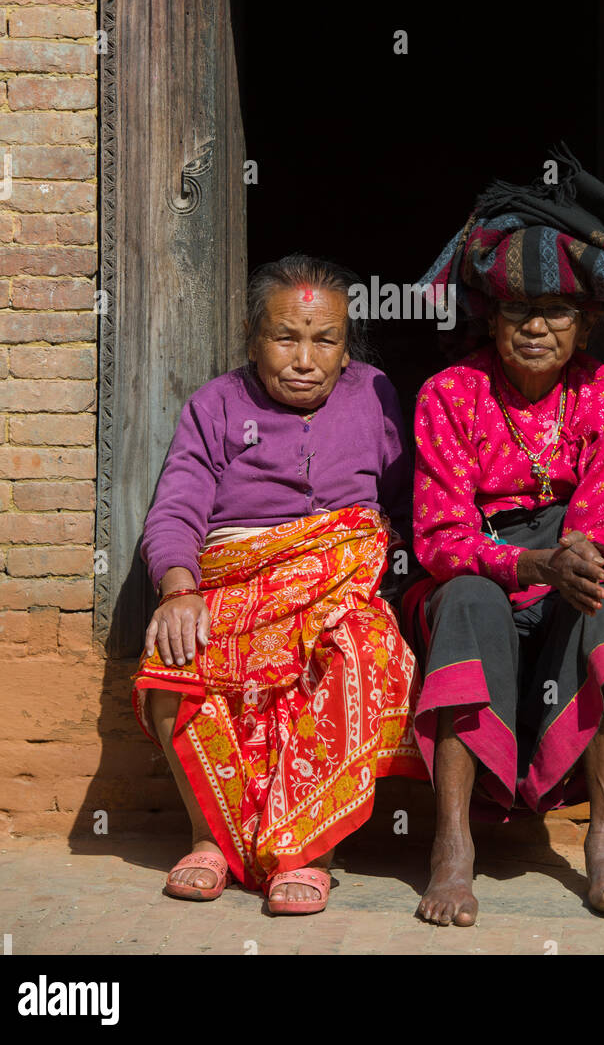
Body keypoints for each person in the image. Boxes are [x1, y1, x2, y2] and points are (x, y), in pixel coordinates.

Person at [401, 145, 604, 926]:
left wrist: (580, 559)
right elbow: (439, 535)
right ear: (493, 318)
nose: (536, 327)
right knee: (471, 601)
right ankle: (451, 848)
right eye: (518, 312)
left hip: (570, 558)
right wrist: (528, 562)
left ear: (582, 326)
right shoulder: (450, 394)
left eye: (555, 313)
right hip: (481, 566)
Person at [131, 254, 426, 913]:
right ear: (252, 337)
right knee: (176, 659)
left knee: (360, 653)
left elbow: (407, 502)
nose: (303, 358)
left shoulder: (375, 395)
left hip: (337, 580)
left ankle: (305, 852)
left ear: (346, 349)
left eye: (324, 340)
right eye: (285, 337)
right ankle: (211, 841)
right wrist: (178, 591)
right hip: (234, 576)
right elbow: (177, 507)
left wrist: (379, 544)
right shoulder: (216, 404)